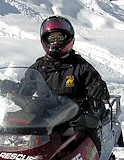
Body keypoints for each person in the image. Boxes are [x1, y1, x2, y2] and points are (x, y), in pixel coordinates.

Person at [29, 15, 110, 152]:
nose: (55, 42)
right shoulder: (38, 67)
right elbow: (25, 86)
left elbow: (97, 84)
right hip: (46, 113)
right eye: (51, 38)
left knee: (88, 126)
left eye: (59, 38)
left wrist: (97, 89)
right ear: (44, 40)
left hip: (74, 115)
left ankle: (95, 159)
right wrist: (8, 87)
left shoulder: (80, 66)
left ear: (68, 38)